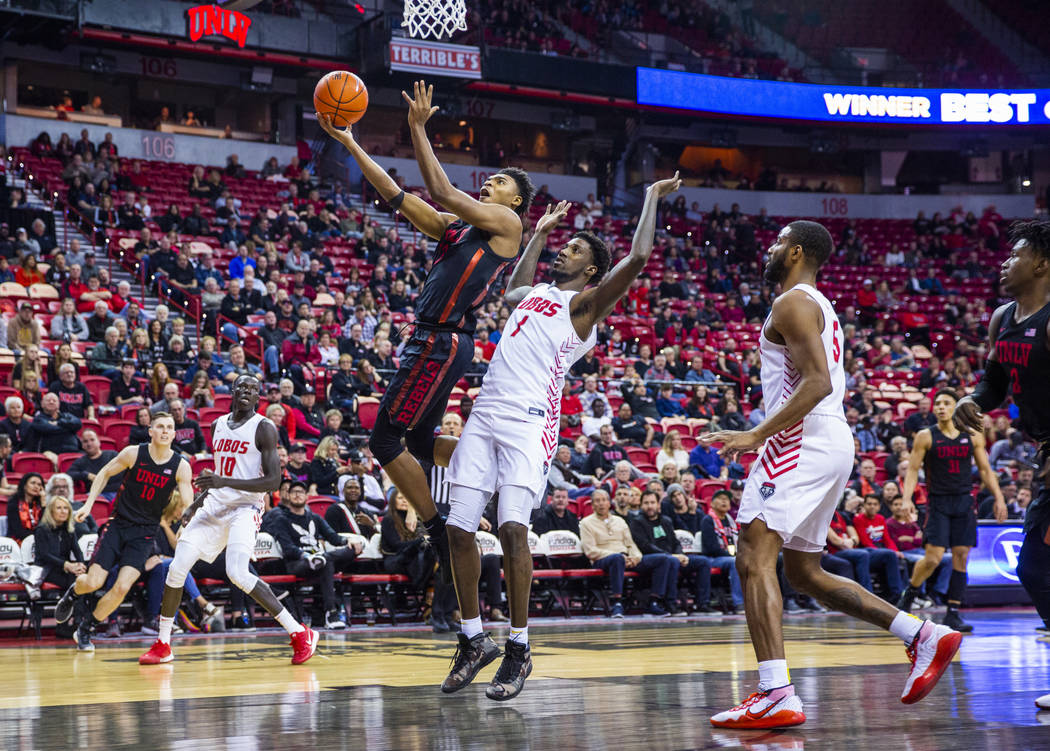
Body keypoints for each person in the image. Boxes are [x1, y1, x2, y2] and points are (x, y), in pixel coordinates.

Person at [701, 221, 960, 729]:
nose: (769, 249)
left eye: (777, 242)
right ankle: (920, 634)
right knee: (802, 571)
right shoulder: (819, 304)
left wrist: (757, 434)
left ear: (796, 251)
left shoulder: (792, 302)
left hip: (801, 437)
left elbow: (817, 382)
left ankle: (775, 692)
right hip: (828, 439)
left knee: (753, 554)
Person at [440, 174, 681, 701]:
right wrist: (541, 234)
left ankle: (519, 647)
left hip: (529, 420)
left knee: (510, 530)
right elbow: (510, 292)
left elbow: (637, 260)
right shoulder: (538, 294)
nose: (562, 252)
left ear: (591, 269)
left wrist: (647, 198)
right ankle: (473, 638)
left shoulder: (584, 308)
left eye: (572, 248)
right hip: (485, 412)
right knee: (457, 530)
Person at [318, 80, 535, 585]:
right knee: (418, 443)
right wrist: (351, 143)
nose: (491, 185)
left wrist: (417, 126)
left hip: (442, 339)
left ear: (517, 199)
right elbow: (396, 196)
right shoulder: (458, 230)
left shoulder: (507, 224)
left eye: (500, 181)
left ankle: (437, 527)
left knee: (383, 437)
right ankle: (501, 475)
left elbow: (441, 190)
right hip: (439, 340)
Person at [137, 376, 318, 666]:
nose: (246, 392)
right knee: (178, 565)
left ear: (259, 397)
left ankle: (299, 633)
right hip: (214, 505)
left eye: (252, 389)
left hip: (245, 509)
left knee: (237, 572)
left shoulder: (264, 428)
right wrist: (196, 504)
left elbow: (272, 481)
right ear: (232, 392)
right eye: (241, 388)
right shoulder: (217, 425)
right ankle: (163, 644)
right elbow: (220, 472)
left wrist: (221, 480)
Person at [950, 221, 1050, 710]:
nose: (1003, 263)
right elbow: (994, 383)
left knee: (1037, 565)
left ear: (1042, 264)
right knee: (1035, 568)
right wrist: (975, 400)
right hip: (1045, 453)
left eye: (1015, 256)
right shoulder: (1002, 318)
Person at [53, 412, 193, 651]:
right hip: (118, 524)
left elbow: (188, 501)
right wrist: (88, 504)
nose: (165, 431)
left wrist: (184, 526)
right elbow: (105, 473)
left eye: (170, 427)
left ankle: (86, 628)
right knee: (94, 582)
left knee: (121, 587)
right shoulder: (134, 453)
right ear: (151, 431)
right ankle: (74, 592)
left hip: (145, 532)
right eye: (160, 426)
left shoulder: (181, 465)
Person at [897, 389, 1005, 632]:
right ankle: (910, 593)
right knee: (933, 558)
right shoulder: (926, 436)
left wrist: (999, 497)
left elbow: (986, 470)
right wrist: (907, 499)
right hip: (938, 502)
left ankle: (953, 613)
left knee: (961, 557)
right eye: (938, 403)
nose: (940, 407)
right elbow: (913, 470)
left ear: (956, 407)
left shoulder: (973, 435)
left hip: (964, 502)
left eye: (946, 403)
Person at [262, 480, 362, 629]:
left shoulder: (315, 518)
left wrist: (349, 541)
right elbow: (288, 549)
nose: (297, 495)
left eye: (301, 492)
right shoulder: (281, 519)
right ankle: (331, 614)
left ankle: (331, 612)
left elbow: (333, 537)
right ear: (288, 496)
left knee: (344, 552)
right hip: (297, 563)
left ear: (307, 496)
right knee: (325, 561)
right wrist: (307, 556)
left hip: (320, 559)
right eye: (294, 492)